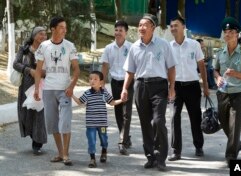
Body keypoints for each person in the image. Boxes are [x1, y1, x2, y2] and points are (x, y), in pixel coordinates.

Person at [121, 14, 177, 171]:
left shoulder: (164, 45)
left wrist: (172, 87)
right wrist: (125, 88)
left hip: (159, 86)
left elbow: (171, 67)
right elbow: (130, 71)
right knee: (145, 123)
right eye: (139, 25)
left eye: (145, 25)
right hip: (140, 86)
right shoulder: (134, 47)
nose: (141, 28)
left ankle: (161, 157)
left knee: (158, 121)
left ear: (153, 27)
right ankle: (150, 156)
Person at [34, 16, 80, 166]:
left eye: (65, 28)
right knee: (53, 123)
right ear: (52, 29)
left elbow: (76, 69)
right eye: (61, 27)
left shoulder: (69, 46)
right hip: (48, 90)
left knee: (65, 122)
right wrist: (36, 89)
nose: (65, 30)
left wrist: (71, 86)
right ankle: (60, 153)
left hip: (65, 90)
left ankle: (66, 154)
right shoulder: (44, 46)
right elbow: (39, 69)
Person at [168, 16, 210, 161]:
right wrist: (170, 88)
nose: (173, 28)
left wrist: (205, 86)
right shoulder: (169, 46)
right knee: (174, 117)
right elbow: (167, 68)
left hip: (192, 86)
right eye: (171, 26)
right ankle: (175, 150)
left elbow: (202, 66)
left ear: (183, 27)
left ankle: (199, 146)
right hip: (176, 87)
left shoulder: (194, 45)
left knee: (195, 117)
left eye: (176, 25)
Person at [214, 17, 241, 167]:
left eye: (231, 32)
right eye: (225, 32)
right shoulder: (220, 52)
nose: (227, 34)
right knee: (223, 123)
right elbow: (215, 70)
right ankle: (237, 144)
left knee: (235, 126)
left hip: (238, 93)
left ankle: (231, 156)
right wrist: (217, 79)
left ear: (237, 34)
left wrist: (236, 74)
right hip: (222, 93)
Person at [72, 71, 123, 168]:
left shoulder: (104, 93)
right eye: (91, 79)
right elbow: (79, 102)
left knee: (104, 139)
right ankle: (92, 159)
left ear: (101, 82)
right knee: (91, 141)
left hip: (102, 124)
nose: (92, 81)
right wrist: (72, 95)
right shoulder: (87, 93)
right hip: (91, 124)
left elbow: (112, 103)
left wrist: (121, 100)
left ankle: (104, 151)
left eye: (95, 79)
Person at [100, 20, 133, 155]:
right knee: (118, 112)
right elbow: (105, 67)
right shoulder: (108, 48)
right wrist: (101, 83)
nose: (118, 33)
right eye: (116, 30)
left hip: (129, 82)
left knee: (127, 113)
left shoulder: (132, 47)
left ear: (126, 32)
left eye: (121, 30)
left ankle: (122, 142)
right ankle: (125, 137)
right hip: (115, 82)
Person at [13, 26, 47, 155]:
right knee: (25, 113)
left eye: (45, 34)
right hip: (26, 86)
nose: (43, 36)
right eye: (40, 34)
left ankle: (37, 142)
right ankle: (33, 135)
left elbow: (51, 67)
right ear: (33, 36)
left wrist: (41, 72)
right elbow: (16, 64)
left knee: (39, 113)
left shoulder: (47, 50)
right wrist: (29, 70)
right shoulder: (24, 49)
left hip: (42, 85)